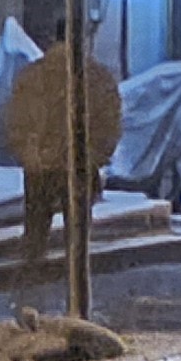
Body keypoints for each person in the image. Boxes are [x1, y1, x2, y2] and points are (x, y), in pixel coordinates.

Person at [13, 21, 123, 264]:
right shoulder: (98, 78)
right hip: (78, 164)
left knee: (35, 234)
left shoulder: (31, 75)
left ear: (54, 37)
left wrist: (28, 154)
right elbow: (110, 123)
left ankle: (31, 284)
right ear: (83, 38)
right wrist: (97, 157)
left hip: (39, 166)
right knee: (78, 235)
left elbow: (16, 120)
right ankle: (74, 287)